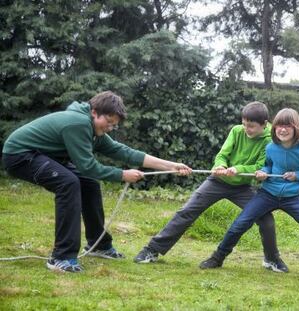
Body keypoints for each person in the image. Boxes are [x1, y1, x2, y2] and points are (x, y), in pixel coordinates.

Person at [2, 91, 191, 273]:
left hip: (43, 156)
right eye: (108, 123)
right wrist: (121, 174)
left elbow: (125, 152)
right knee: (68, 183)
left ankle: (99, 245)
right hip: (20, 156)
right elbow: (87, 166)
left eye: (113, 125)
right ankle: (61, 257)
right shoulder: (77, 124)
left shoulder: (93, 128)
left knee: (89, 183)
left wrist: (172, 165)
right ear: (94, 112)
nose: (109, 128)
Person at [134, 101, 288, 272]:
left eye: (251, 126)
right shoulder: (236, 131)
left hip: (242, 187)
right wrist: (221, 166)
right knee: (187, 210)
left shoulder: (269, 141)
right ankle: (152, 250)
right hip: (217, 181)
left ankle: (271, 259)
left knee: (266, 218)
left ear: (264, 124)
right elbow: (222, 154)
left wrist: (238, 169)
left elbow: (259, 167)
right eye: (244, 124)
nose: (246, 129)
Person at [199, 108, 299, 281]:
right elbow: (267, 165)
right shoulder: (271, 148)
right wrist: (263, 172)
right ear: (274, 128)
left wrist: (298, 176)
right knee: (240, 223)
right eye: (279, 125)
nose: (282, 129)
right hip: (268, 193)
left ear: (297, 127)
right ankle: (217, 258)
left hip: (293, 197)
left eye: (287, 126)